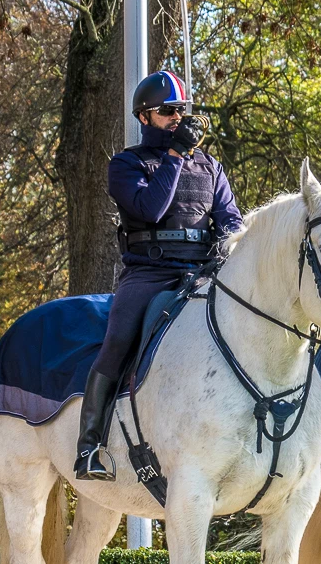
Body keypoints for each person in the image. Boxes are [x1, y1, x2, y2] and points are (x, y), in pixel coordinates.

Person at [74, 70, 244, 481]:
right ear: (145, 116)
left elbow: (232, 220)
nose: (178, 119)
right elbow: (150, 209)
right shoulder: (127, 163)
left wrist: (228, 248)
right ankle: (90, 445)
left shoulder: (210, 166)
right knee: (118, 339)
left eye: (182, 111)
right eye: (169, 112)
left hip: (203, 273)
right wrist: (174, 157)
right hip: (150, 274)